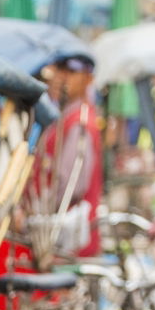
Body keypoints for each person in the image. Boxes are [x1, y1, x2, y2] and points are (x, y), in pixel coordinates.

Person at [32, 56, 102, 259]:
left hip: (68, 242)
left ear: (88, 79)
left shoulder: (80, 122)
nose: (62, 77)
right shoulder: (62, 118)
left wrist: (33, 216)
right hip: (55, 239)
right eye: (60, 70)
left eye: (71, 72)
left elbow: (71, 186)